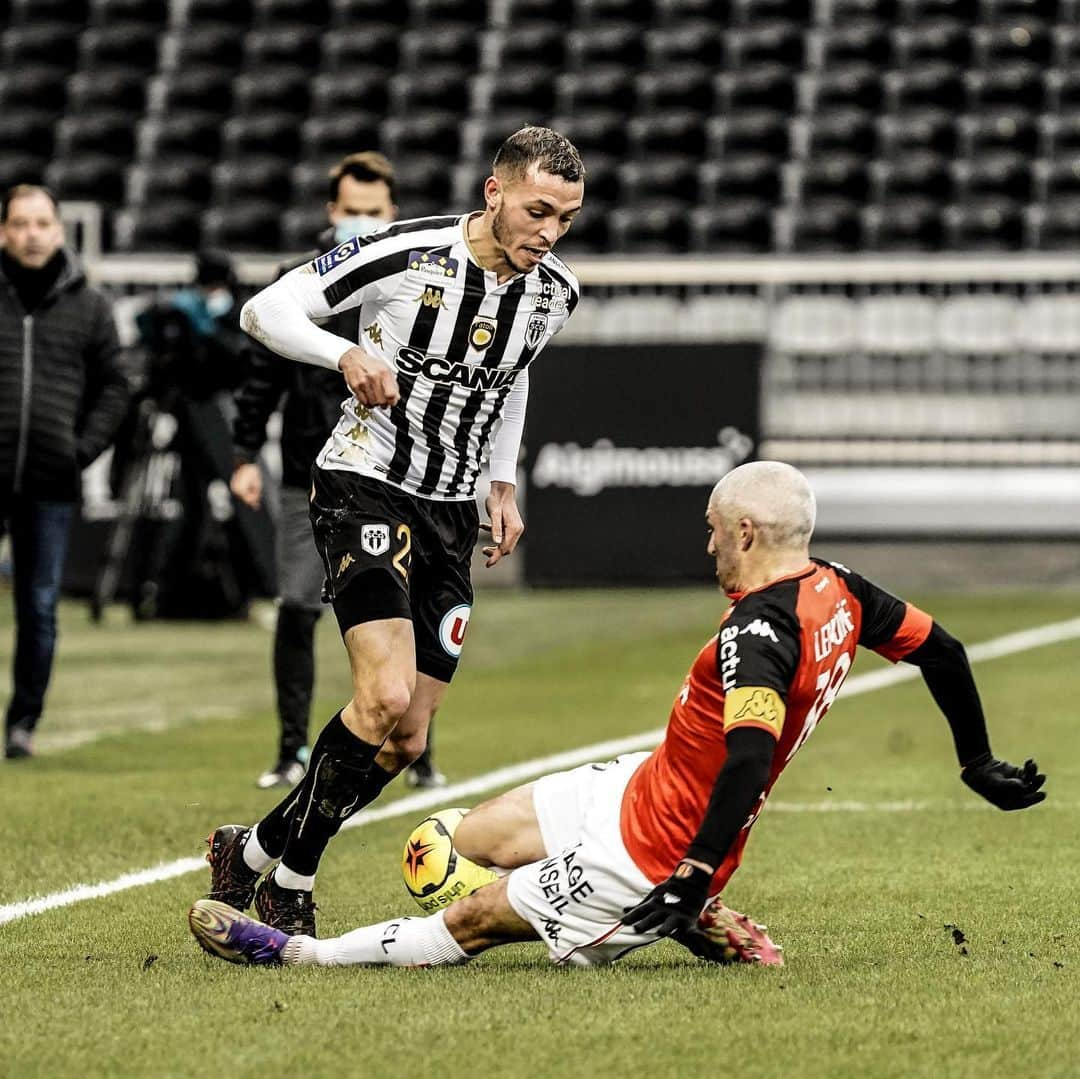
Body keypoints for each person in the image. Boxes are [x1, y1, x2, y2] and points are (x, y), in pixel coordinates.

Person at [189, 460, 1047, 969]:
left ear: (745, 530)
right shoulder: (842, 588)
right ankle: (598, 900)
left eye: (714, 529)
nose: (707, 543)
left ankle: (297, 953)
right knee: (448, 842)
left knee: (470, 921)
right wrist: (975, 761)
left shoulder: (762, 629)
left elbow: (749, 757)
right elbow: (945, 650)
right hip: (638, 785)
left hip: (655, 850)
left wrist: (691, 877)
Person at [202, 126, 585, 935]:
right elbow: (262, 310)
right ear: (494, 192)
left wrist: (502, 481)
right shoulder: (403, 253)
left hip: (450, 513)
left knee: (407, 737)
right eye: (537, 210)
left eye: (566, 218)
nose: (548, 232)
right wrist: (344, 355)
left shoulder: (553, 292)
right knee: (383, 693)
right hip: (365, 484)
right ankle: (292, 883)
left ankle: (255, 849)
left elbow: (511, 380)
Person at [0, 184, 134, 759]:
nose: (33, 233)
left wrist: (81, 449)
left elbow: (118, 384)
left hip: (52, 482)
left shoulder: (90, 305)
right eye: (21, 223)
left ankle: (22, 724)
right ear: (4, 231)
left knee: (39, 605)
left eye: (42, 223)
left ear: (58, 230)